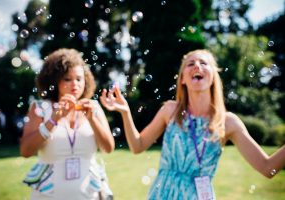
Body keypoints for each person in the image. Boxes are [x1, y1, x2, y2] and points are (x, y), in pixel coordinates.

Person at [100, 49, 285, 200]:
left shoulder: (227, 122)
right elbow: (137, 146)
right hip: (162, 195)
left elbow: (268, 168)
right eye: (190, 64)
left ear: (213, 76)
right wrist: (125, 112)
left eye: (204, 63)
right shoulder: (170, 111)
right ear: (182, 79)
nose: (197, 65)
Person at [20, 48, 115, 200]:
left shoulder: (93, 107)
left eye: (79, 78)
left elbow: (108, 148)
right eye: (67, 79)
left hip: (89, 194)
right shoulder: (39, 108)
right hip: (48, 195)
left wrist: (92, 119)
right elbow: (26, 151)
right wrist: (53, 120)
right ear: (54, 80)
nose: (75, 84)